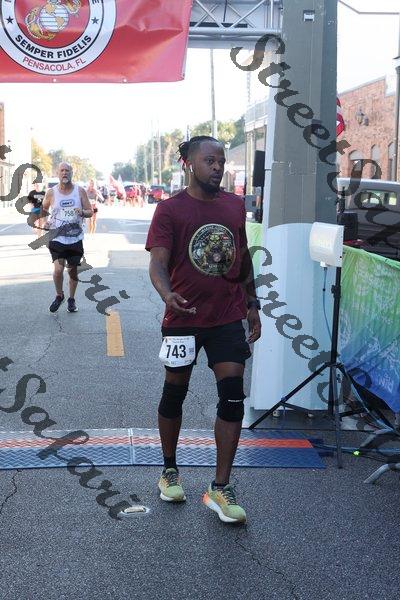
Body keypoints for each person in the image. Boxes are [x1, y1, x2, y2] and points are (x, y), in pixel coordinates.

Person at [146, 136, 262, 524]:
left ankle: (220, 487)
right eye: (209, 161)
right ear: (189, 164)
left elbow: (242, 257)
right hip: (183, 317)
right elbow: (157, 263)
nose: (217, 167)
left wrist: (253, 304)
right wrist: (167, 294)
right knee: (174, 392)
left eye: (221, 161)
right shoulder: (170, 210)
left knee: (232, 397)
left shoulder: (233, 205)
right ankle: (169, 471)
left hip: (227, 316)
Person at [42, 162, 93, 313]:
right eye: (62, 170)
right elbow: (44, 208)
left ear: (72, 173)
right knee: (58, 270)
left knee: (72, 271)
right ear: (58, 173)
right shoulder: (51, 192)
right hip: (57, 238)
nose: (64, 173)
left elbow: (90, 211)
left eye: (67, 170)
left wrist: (82, 212)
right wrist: (45, 221)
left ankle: (71, 299)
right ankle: (59, 295)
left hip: (75, 238)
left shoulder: (80, 191)